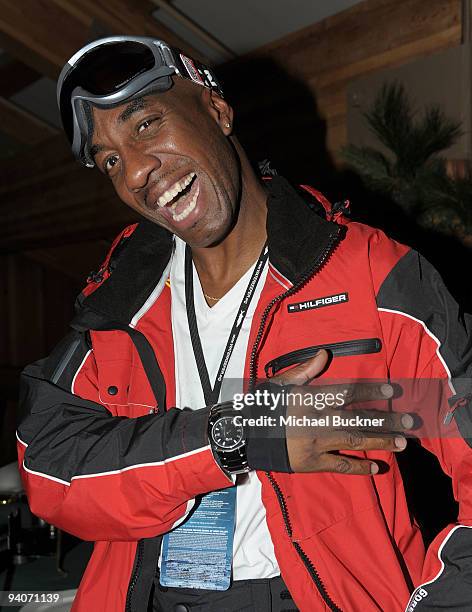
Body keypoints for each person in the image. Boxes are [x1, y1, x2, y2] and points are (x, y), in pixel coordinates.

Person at [16, 36, 472, 612]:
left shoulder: (372, 279)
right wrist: (234, 436)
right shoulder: (119, 306)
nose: (135, 171)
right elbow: (50, 473)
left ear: (216, 109)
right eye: (110, 160)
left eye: (147, 125)